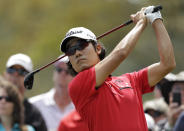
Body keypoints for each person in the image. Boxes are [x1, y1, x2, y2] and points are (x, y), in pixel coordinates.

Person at [59, 5, 176, 131]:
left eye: (81, 44)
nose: (77, 53)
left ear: (98, 48)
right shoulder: (78, 85)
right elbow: (121, 53)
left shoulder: (132, 80)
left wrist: (156, 19)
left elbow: (167, 64)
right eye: (71, 50)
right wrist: (141, 23)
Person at [3, 53, 47, 131]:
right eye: (11, 70)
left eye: (21, 71)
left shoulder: (34, 115)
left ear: (29, 79)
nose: (15, 74)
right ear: (5, 74)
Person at [29, 55, 74, 131]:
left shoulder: (83, 107)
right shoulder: (34, 105)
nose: (62, 74)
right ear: (54, 73)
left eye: (68, 71)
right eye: (59, 70)